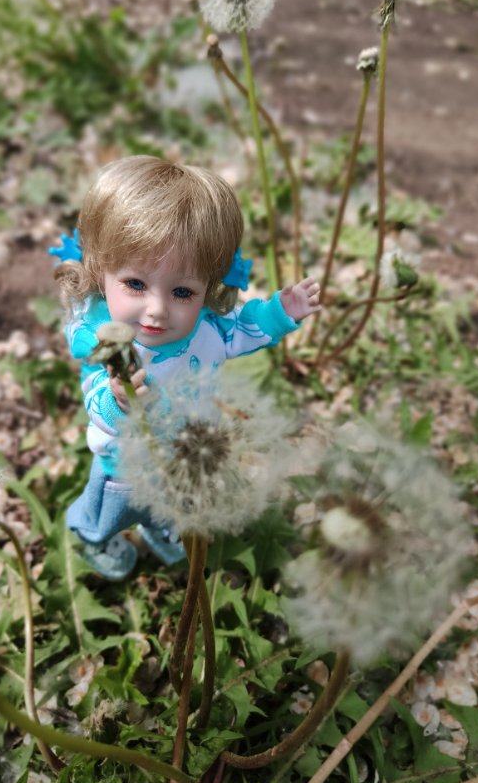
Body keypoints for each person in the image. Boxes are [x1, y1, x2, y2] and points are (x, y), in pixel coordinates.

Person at [51, 155, 320, 580]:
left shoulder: (208, 333)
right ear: (101, 272)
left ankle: (160, 532)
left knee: (172, 510)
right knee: (109, 513)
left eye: (181, 291)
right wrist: (120, 401)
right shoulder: (107, 347)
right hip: (121, 467)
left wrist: (281, 311)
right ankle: (91, 536)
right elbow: (96, 398)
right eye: (136, 284)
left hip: (187, 458)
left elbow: (245, 329)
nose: (156, 311)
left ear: (208, 289)